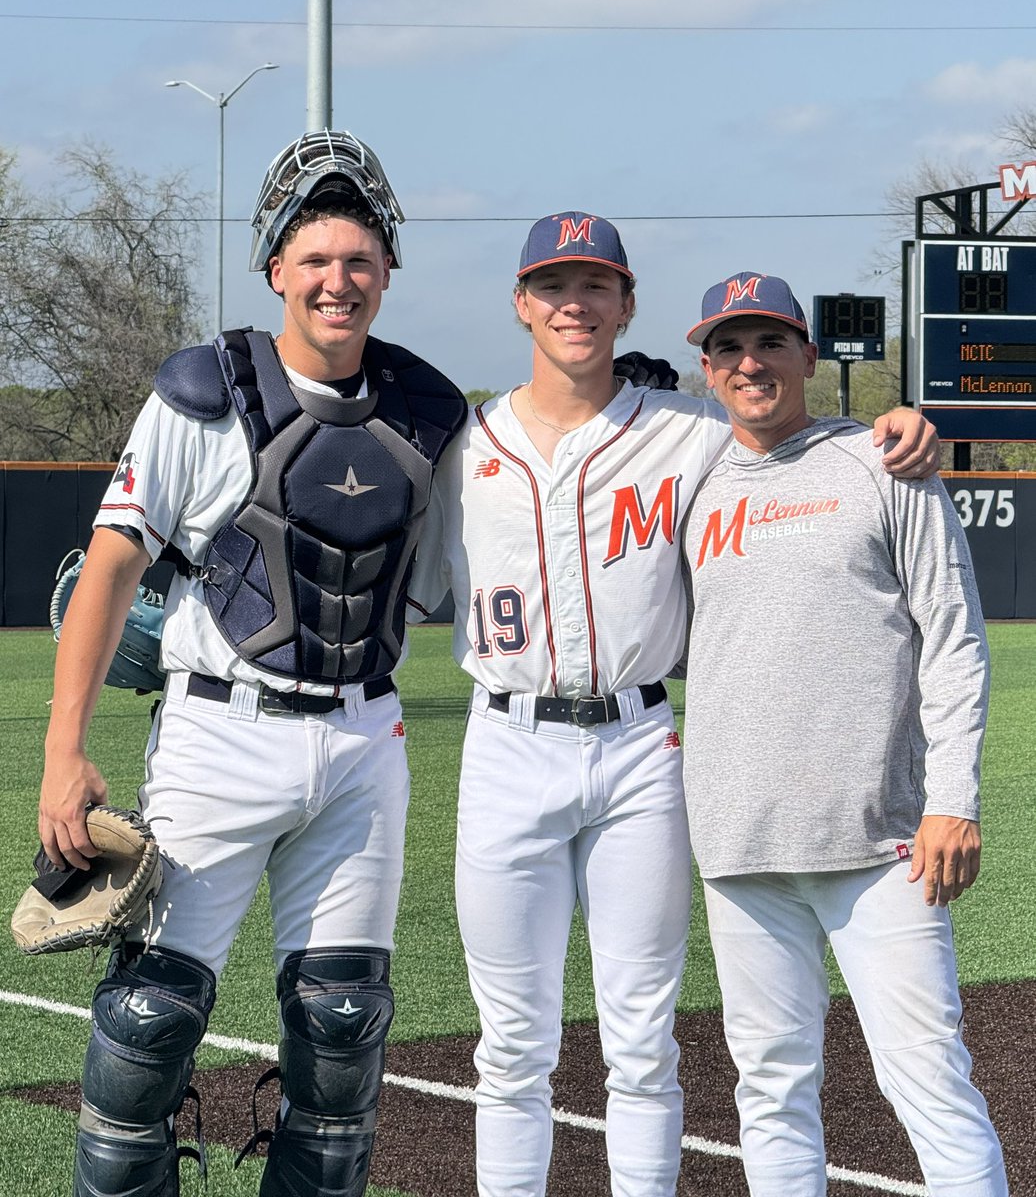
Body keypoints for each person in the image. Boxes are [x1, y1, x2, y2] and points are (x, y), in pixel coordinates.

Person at [406, 215, 939, 1197]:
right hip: (505, 746)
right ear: (521, 303)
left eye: (594, 284)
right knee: (510, 1043)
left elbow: (794, 433)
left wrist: (897, 423)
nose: (574, 304)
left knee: (643, 1040)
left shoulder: (688, 431)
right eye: (553, 285)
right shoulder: (460, 447)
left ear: (626, 304)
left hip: (639, 746)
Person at [37, 129, 467, 1197]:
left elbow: (467, 568)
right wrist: (63, 751)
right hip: (218, 734)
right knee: (148, 1025)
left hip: (363, 741)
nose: (337, 281)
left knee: (343, 1028)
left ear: (387, 271)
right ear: (276, 268)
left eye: (358, 260)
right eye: (314, 259)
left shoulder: (431, 413)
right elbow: (110, 566)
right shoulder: (204, 391)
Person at [681, 272, 1009, 1196]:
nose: (751, 364)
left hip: (883, 843)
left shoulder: (883, 462)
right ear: (707, 370)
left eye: (770, 343)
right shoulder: (693, 483)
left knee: (930, 1087)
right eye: (729, 348)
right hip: (740, 845)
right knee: (771, 1093)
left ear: (808, 356)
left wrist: (954, 800)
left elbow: (954, 639)